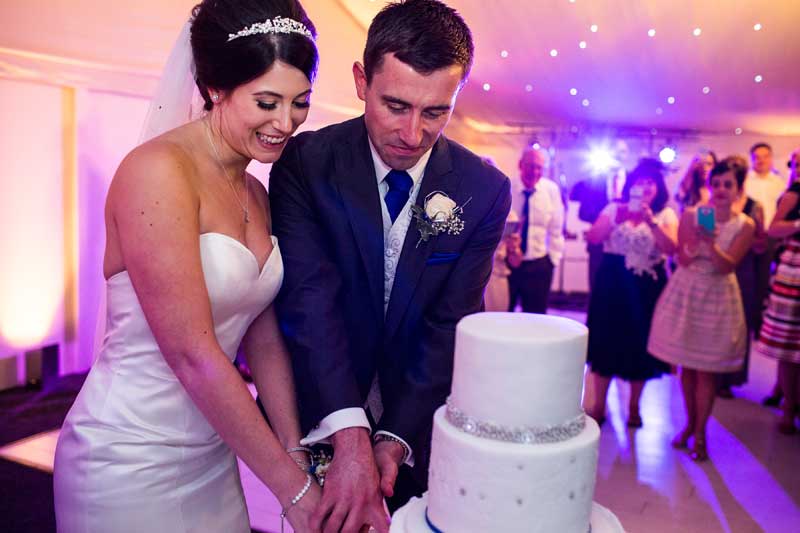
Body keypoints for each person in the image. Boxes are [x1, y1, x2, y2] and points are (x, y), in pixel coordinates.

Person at [53, 2, 321, 532]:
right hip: (128, 455)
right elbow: (192, 353)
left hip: (213, 451)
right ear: (215, 87)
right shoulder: (157, 172)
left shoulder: (255, 192)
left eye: (300, 103)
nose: (285, 122)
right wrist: (293, 493)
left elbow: (262, 336)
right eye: (267, 102)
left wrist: (296, 455)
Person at [269, 1, 511, 531]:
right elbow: (309, 303)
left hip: (419, 418)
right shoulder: (305, 163)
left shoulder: (484, 191)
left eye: (435, 112)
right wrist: (349, 433)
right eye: (396, 105)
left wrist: (394, 439)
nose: (413, 133)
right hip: (323, 408)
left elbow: (448, 323)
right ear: (362, 81)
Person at [649, 156, 755, 461]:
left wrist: (712, 244)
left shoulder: (745, 224)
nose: (721, 189)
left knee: (706, 371)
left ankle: (700, 433)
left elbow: (727, 265)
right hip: (687, 291)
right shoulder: (693, 214)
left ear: (738, 189)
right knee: (687, 367)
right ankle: (689, 424)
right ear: (709, 186)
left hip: (719, 295)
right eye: (716, 183)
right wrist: (696, 243)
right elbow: (681, 259)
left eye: (728, 185)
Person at [584, 158, 678, 427]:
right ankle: (599, 404)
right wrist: (616, 219)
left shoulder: (666, 214)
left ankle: (635, 407)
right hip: (613, 283)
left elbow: (672, 250)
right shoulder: (615, 207)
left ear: (658, 187)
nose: (645, 187)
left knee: (641, 344)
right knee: (605, 341)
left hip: (648, 286)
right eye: (639, 181)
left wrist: (651, 222)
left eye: (650, 182)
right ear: (630, 186)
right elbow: (593, 237)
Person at [756, 147, 800, 434]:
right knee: (789, 346)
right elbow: (773, 229)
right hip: (794, 271)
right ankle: (787, 408)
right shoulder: (794, 194)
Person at [508, 146, 565, 313]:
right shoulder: (507, 186)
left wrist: (552, 260)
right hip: (508, 265)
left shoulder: (551, 190)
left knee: (536, 317)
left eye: (539, 167)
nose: (535, 172)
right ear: (520, 165)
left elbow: (556, 228)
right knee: (504, 314)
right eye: (530, 166)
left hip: (540, 265)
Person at [484, 211, 522, 312]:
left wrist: (514, 248)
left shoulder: (511, 216)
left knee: (496, 318)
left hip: (498, 276)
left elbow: (515, 262)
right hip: (476, 274)